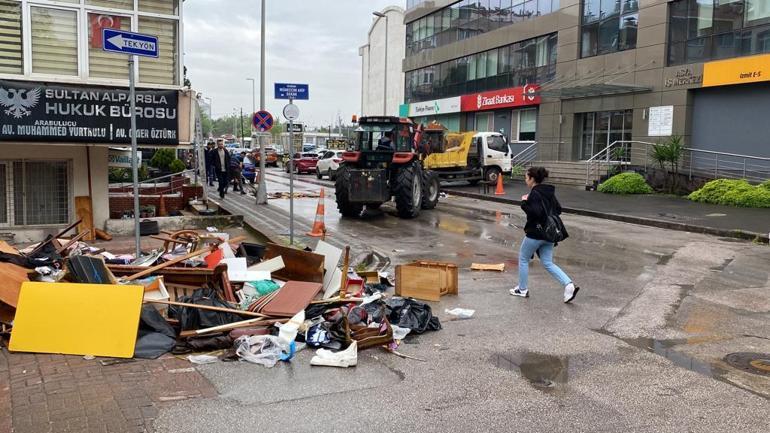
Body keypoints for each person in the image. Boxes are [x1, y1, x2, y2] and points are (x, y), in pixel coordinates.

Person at [511, 166, 580, 303]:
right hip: (549, 234)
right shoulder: (549, 192)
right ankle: (569, 285)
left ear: (532, 179)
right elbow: (558, 209)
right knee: (548, 263)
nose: (526, 180)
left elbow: (535, 213)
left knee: (523, 259)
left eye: (526, 178)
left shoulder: (534, 194)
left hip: (535, 233)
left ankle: (522, 289)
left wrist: (524, 202)